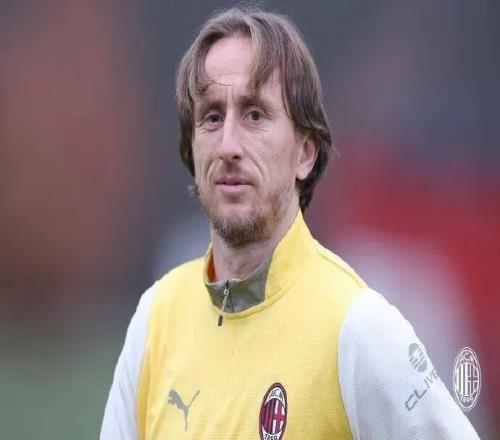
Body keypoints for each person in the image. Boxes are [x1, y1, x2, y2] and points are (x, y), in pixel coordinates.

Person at [101, 7, 479, 439]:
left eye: (255, 115)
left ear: (306, 152)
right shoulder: (155, 319)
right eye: (212, 117)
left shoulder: (360, 329)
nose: (228, 145)